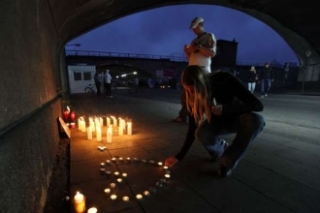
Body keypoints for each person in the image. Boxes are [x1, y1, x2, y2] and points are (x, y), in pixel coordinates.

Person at [165, 65, 265, 178]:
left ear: (202, 83)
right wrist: (179, 156)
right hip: (217, 122)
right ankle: (220, 151)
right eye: (188, 90)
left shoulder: (224, 79)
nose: (191, 93)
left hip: (239, 118)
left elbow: (258, 105)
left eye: (193, 90)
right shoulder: (188, 94)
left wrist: (225, 109)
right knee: (201, 133)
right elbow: (193, 126)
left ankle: (227, 162)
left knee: (256, 121)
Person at [172, 17, 217, 123]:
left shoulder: (209, 36)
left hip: (202, 70)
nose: (194, 30)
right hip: (192, 69)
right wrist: (186, 52)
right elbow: (191, 58)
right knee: (186, 94)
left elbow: (212, 53)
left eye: (195, 27)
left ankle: (211, 115)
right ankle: (186, 116)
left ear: (201, 25)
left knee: (203, 95)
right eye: (193, 28)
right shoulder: (193, 41)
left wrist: (199, 48)